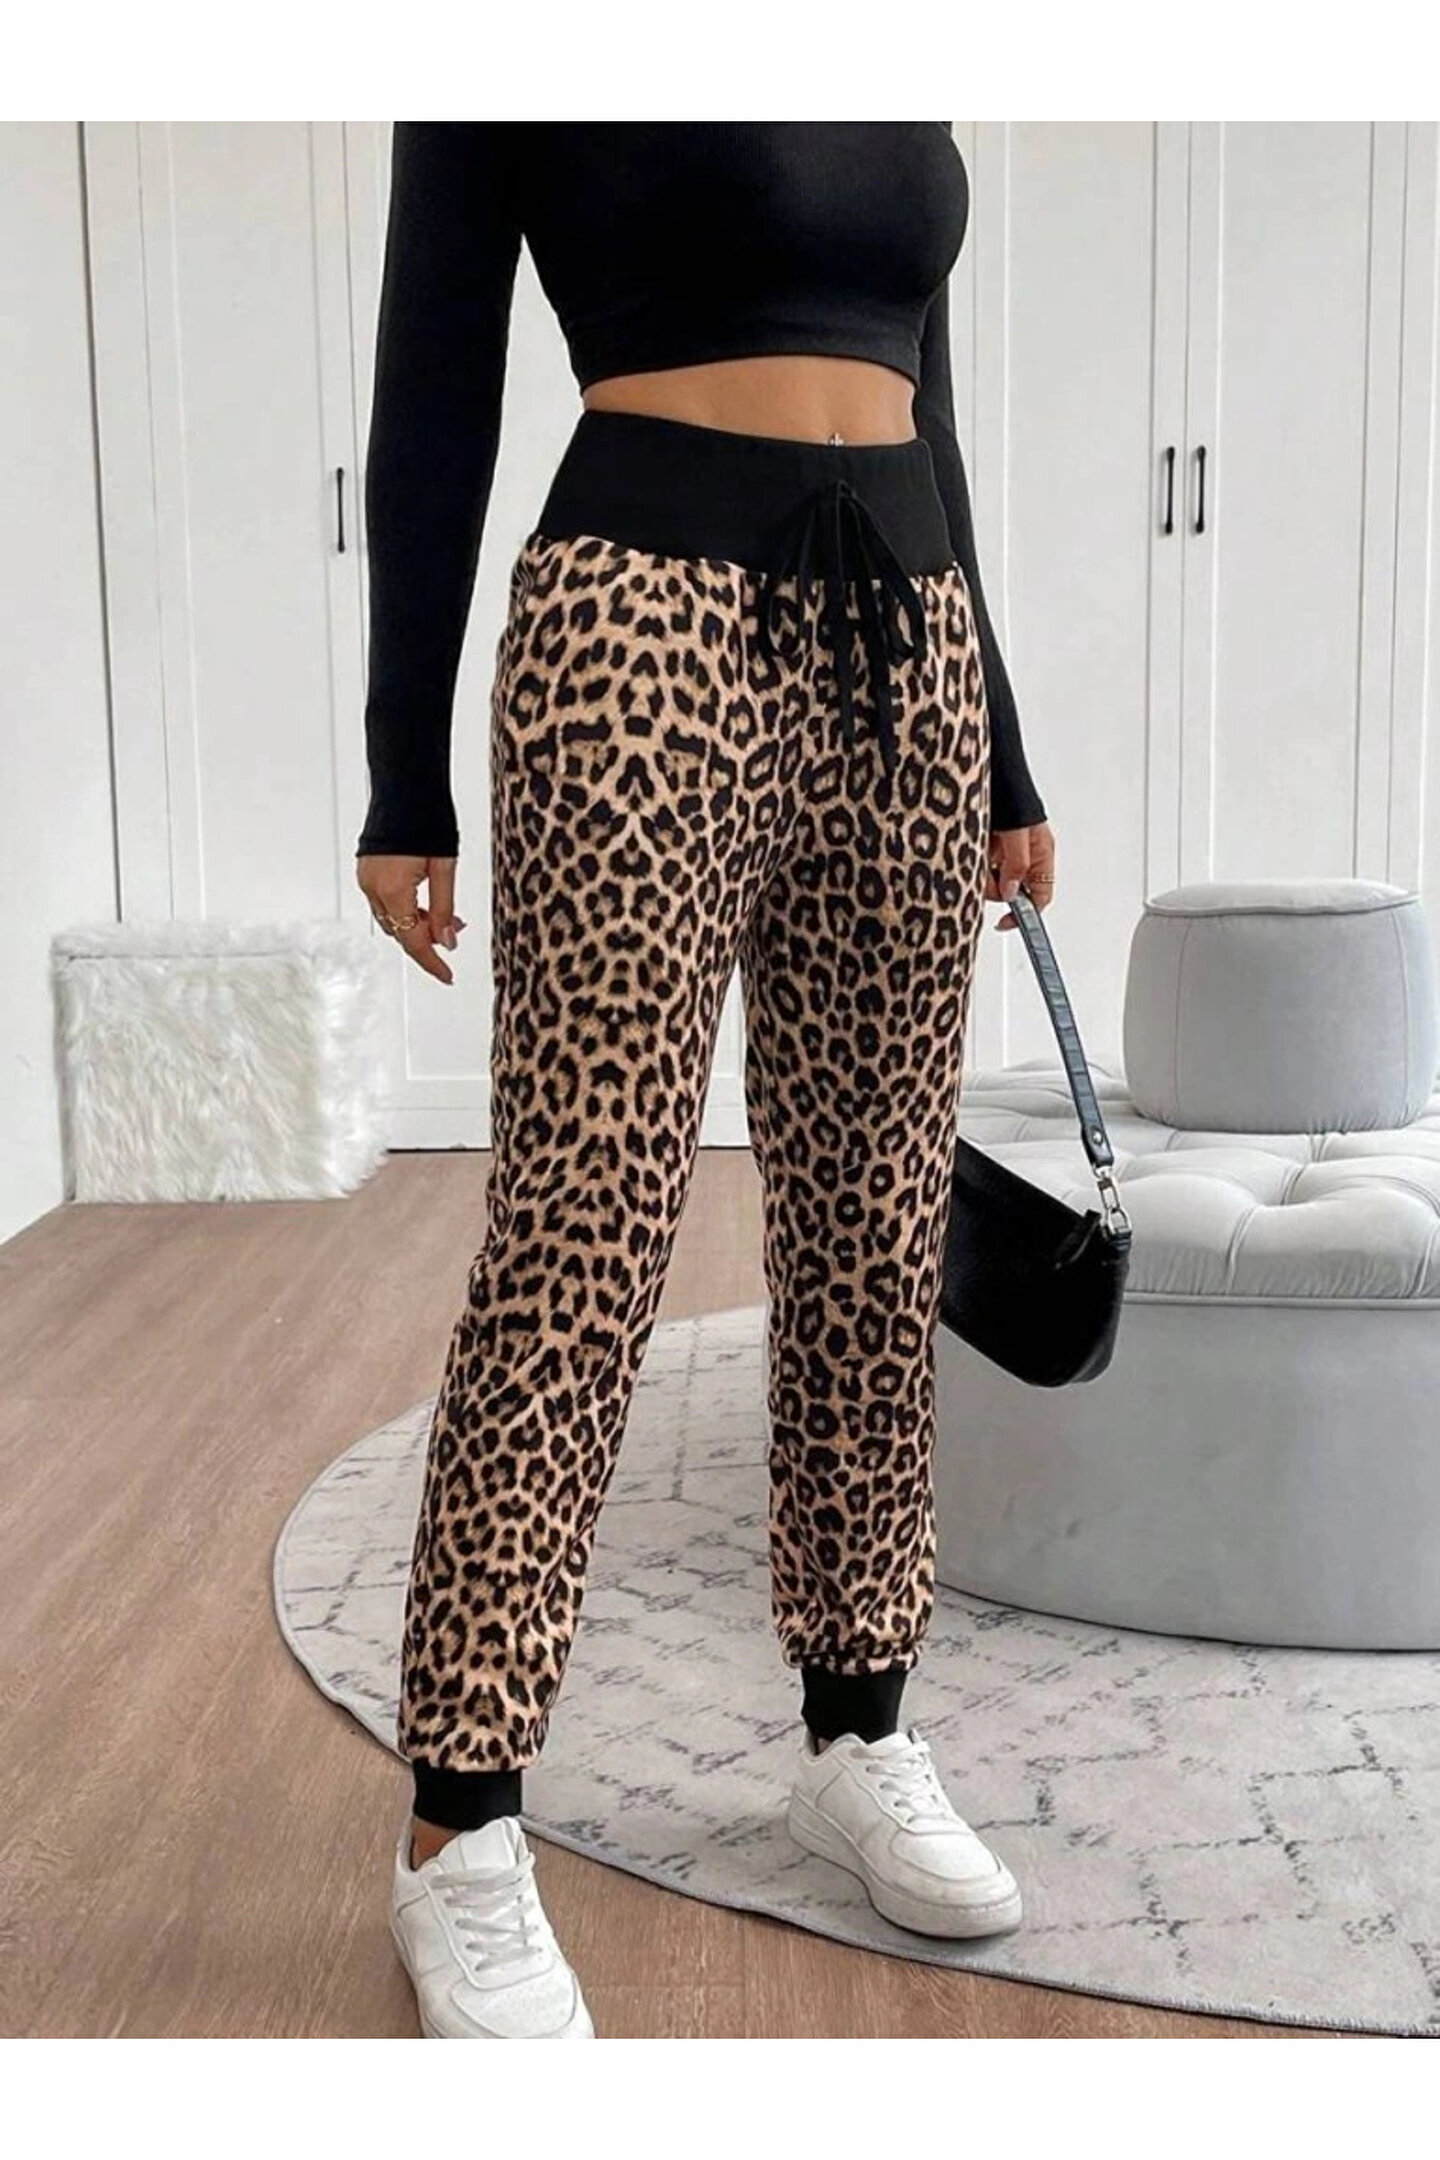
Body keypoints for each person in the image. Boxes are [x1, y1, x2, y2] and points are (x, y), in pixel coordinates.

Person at [356, 121, 1056, 2041]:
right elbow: (432, 390)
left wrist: (1000, 743)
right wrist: (402, 772)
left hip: (905, 641)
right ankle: (458, 1834)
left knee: (876, 1234)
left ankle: (859, 1729)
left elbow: (929, 411)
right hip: (635, 631)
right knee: (579, 1241)